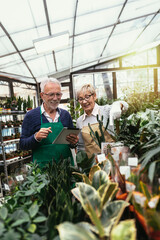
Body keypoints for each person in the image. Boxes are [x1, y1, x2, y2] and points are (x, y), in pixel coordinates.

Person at [20, 78, 78, 168]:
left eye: (58, 94)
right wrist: (36, 137)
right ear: (42, 95)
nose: (55, 98)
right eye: (51, 94)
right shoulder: (31, 116)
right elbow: (22, 144)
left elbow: (71, 144)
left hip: (66, 169)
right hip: (42, 171)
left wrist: (73, 142)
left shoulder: (65, 115)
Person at [76, 84, 128, 158]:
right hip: (92, 164)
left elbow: (125, 105)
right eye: (81, 99)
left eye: (87, 97)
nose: (84, 102)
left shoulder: (106, 111)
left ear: (94, 96)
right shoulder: (80, 121)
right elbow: (81, 146)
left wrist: (118, 105)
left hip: (110, 159)